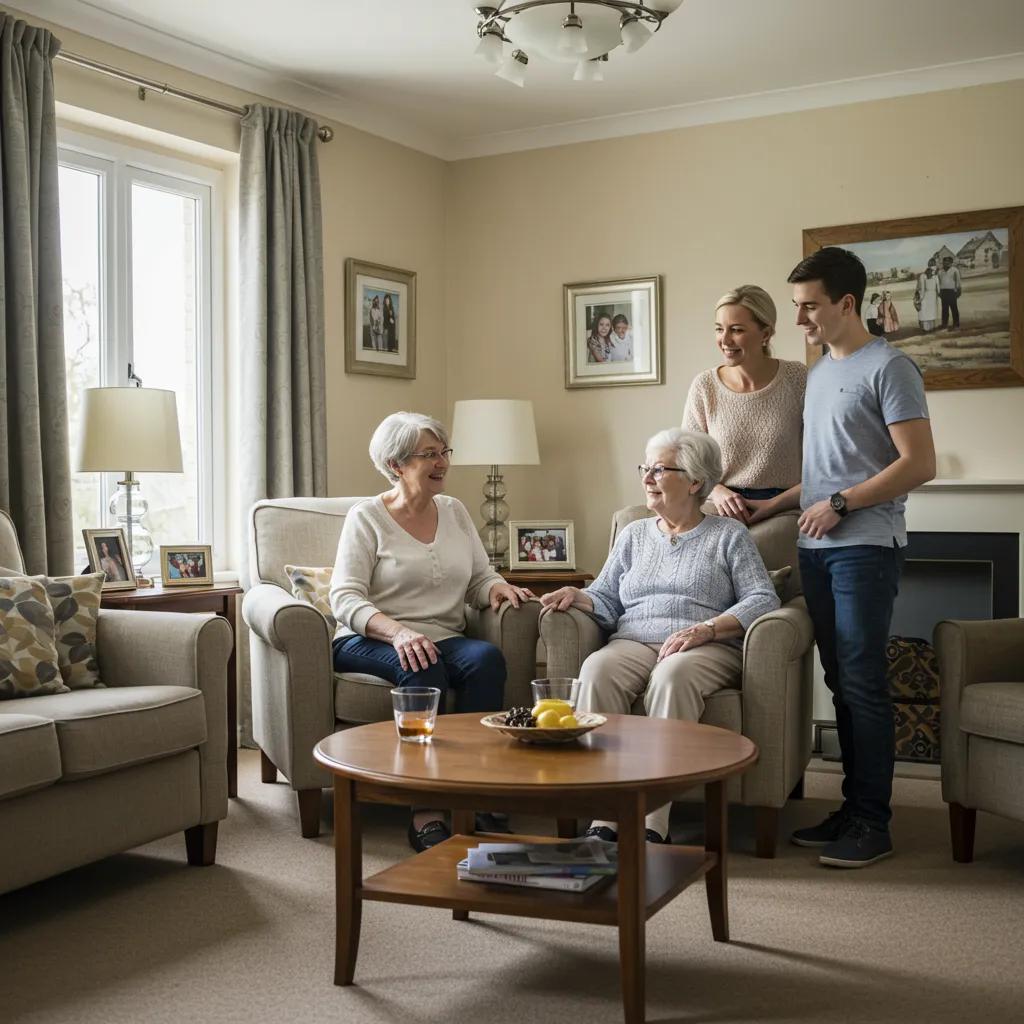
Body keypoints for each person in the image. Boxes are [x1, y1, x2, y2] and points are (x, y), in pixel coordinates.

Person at [539, 428, 779, 844]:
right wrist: (579, 596)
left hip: (703, 646)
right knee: (596, 670)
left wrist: (708, 629)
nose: (647, 478)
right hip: (634, 640)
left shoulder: (728, 535)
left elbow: (763, 597)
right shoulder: (633, 534)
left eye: (659, 469)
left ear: (695, 481)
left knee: (673, 678)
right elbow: (607, 597)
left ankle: (652, 823)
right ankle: (606, 818)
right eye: (645, 468)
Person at [788, 246, 935, 868]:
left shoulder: (891, 367)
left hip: (864, 549)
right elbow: (824, 473)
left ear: (847, 304)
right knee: (841, 683)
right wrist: (769, 506)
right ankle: (852, 809)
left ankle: (874, 823)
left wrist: (842, 505)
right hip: (816, 547)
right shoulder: (820, 371)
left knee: (864, 683)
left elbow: (918, 465)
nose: (801, 320)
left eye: (809, 307)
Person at [330, 411, 533, 852]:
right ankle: (425, 810)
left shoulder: (454, 511)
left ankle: (471, 795)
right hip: (368, 638)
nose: (441, 462)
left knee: (486, 660)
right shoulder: (366, 518)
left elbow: (480, 578)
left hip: (443, 634)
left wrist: (499, 588)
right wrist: (399, 633)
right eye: (429, 454)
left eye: (444, 452)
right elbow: (344, 598)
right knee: (423, 669)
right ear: (396, 465)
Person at [682, 285, 806, 526]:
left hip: (783, 511)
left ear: (766, 333)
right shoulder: (704, 386)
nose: (725, 340)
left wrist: (773, 505)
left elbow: (823, 463)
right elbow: (688, 463)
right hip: (718, 506)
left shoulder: (798, 378)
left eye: (736, 330)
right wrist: (717, 491)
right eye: (719, 329)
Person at [913, 260, 941, 332]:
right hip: (929, 296)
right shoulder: (928, 276)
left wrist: (920, 299)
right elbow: (922, 289)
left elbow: (937, 289)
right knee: (927, 311)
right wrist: (920, 299)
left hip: (930, 296)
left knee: (928, 312)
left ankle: (928, 328)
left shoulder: (933, 276)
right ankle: (927, 328)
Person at [938, 255, 962, 330]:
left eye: (949, 262)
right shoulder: (940, 272)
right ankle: (944, 324)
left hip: (952, 291)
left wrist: (958, 291)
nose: (947, 263)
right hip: (943, 291)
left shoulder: (955, 270)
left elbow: (958, 281)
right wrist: (939, 292)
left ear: (951, 263)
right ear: (943, 263)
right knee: (944, 309)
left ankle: (956, 324)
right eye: (945, 262)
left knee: (954, 308)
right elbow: (938, 282)